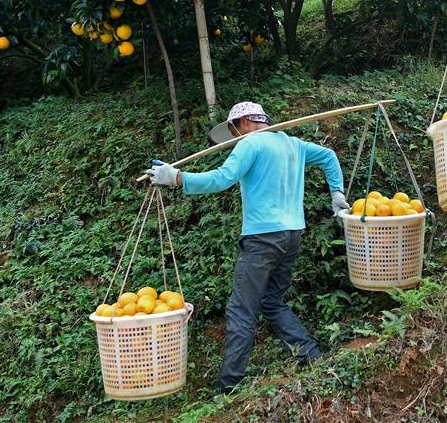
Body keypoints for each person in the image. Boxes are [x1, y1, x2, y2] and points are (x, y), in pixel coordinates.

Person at [146, 101, 350, 393]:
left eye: (233, 132)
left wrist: (176, 177)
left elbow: (221, 178)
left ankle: (228, 386)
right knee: (271, 302)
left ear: (241, 124)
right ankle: (311, 355)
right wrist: (337, 193)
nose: (234, 138)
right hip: (292, 235)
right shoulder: (293, 144)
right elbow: (328, 156)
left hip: (262, 239)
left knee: (241, 310)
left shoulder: (250, 143)